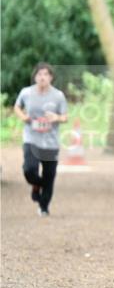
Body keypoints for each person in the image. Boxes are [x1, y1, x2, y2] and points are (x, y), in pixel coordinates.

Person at [12, 62, 68, 217]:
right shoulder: (26, 93)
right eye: (39, 74)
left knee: (49, 175)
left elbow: (65, 117)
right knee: (29, 169)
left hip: (51, 142)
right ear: (35, 77)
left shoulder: (58, 96)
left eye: (46, 74)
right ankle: (36, 184)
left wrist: (56, 117)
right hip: (31, 138)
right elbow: (17, 107)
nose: (42, 77)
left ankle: (44, 206)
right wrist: (24, 117)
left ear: (51, 77)